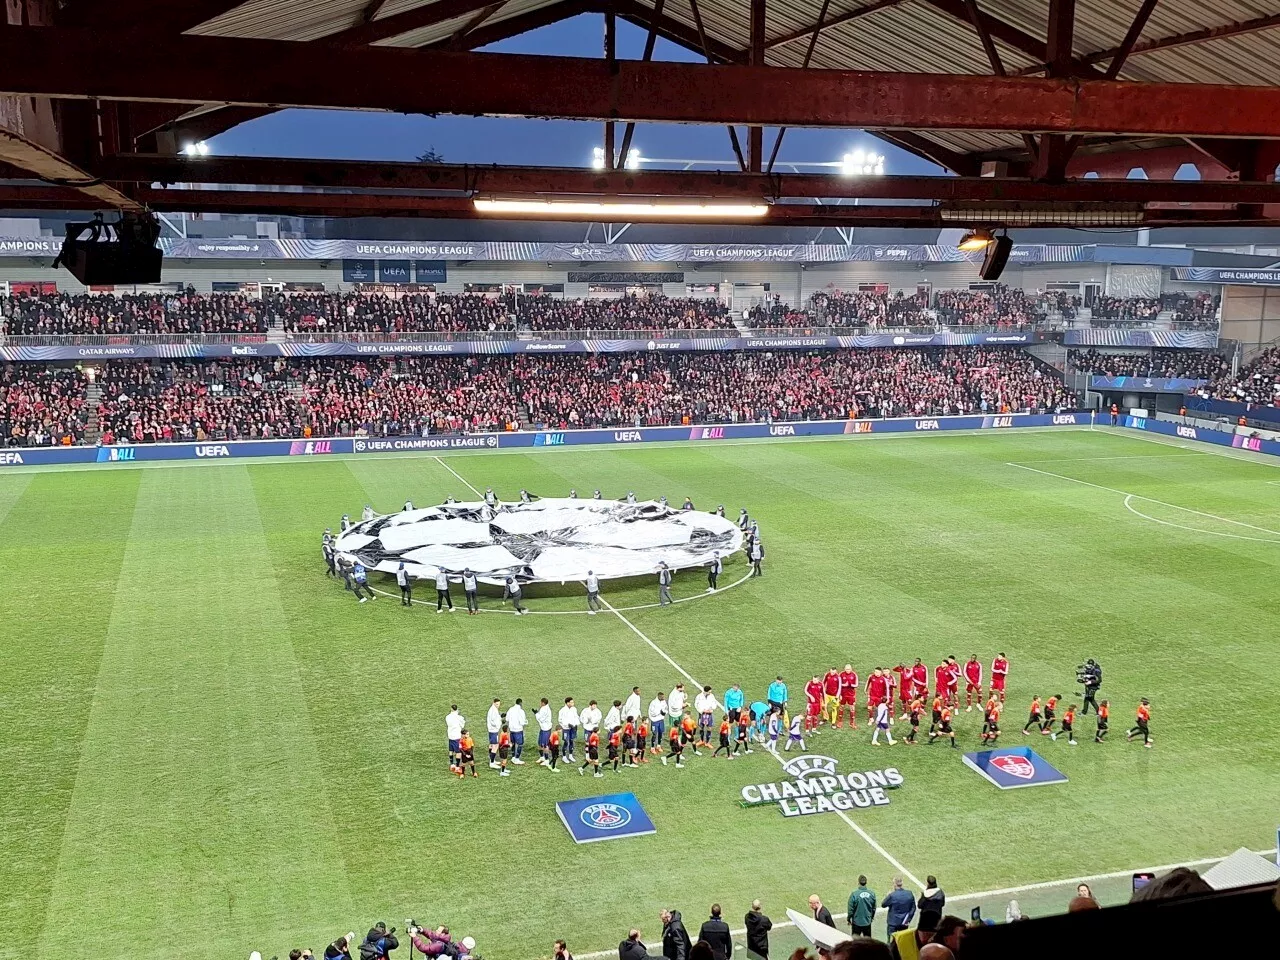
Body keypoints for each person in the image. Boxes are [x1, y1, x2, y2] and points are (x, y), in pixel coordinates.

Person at [506, 698, 527, 764]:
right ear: (520, 703)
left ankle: (513, 757)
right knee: (520, 744)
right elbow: (522, 722)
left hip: (512, 729)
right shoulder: (521, 711)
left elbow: (507, 719)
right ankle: (517, 758)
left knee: (513, 743)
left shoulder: (510, 709)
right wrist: (526, 722)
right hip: (518, 730)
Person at [559, 697, 580, 762]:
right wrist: (567, 725)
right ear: (567, 703)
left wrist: (576, 724)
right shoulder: (562, 710)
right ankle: (564, 756)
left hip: (573, 728)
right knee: (566, 741)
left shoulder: (574, 709)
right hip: (566, 729)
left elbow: (576, 717)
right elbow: (560, 720)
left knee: (571, 740)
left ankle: (570, 755)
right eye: (571, 702)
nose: (573, 703)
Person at [446, 704, 465, 772]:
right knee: (458, 752)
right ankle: (457, 766)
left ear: (451, 709)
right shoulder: (459, 717)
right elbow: (462, 725)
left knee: (451, 750)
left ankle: (451, 764)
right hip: (457, 736)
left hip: (450, 736)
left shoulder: (447, 717)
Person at [838, 665, 858, 729]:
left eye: (849, 669)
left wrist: (850, 685)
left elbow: (856, 684)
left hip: (851, 695)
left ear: (851, 669)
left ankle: (852, 722)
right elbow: (838, 684)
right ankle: (840, 721)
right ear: (844, 669)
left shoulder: (854, 675)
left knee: (852, 708)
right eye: (846, 669)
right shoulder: (841, 674)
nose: (848, 670)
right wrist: (844, 685)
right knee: (841, 707)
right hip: (843, 694)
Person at [486, 698, 503, 768]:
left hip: (492, 730)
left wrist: (500, 717)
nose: (498, 705)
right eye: (496, 704)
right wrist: (499, 723)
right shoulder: (493, 711)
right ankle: (492, 762)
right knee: (495, 746)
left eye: (498, 704)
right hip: (493, 730)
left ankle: (492, 760)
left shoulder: (493, 709)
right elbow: (493, 721)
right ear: (493, 703)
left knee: (491, 745)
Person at [535, 697, 553, 765]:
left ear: (542, 703)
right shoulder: (545, 708)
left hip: (546, 729)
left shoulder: (544, 709)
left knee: (545, 745)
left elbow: (541, 719)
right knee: (540, 743)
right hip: (543, 729)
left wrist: (536, 714)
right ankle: (542, 757)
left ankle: (546, 760)